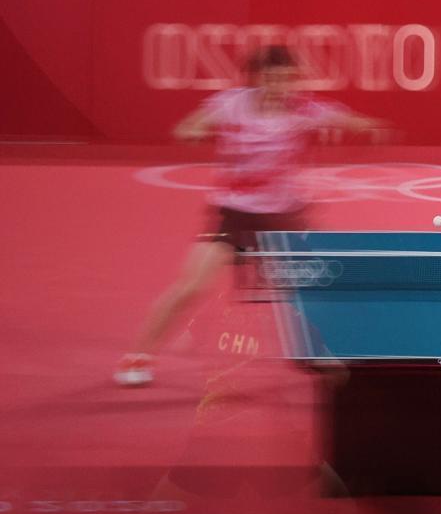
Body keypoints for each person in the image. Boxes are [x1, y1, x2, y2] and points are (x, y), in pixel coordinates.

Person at [115, 45, 380, 386]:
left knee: (312, 287)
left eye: (287, 79)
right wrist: (192, 132)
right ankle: (138, 354)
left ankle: (320, 351)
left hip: (284, 218)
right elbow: (189, 125)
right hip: (235, 216)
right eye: (271, 77)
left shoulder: (304, 108)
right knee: (191, 286)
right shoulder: (232, 104)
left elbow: (346, 119)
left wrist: (371, 127)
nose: (279, 85)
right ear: (257, 78)